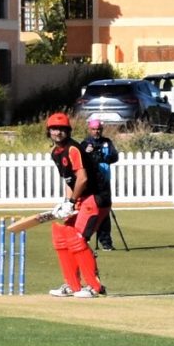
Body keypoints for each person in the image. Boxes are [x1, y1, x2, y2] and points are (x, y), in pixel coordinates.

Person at [45, 112, 108, 298]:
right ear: (48, 131)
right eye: (54, 129)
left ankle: (94, 286)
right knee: (62, 236)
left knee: (77, 239)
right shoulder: (56, 153)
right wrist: (67, 203)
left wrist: (72, 201)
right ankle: (73, 285)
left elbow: (83, 178)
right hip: (81, 198)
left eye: (62, 129)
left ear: (68, 131)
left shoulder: (73, 149)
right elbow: (70, 181)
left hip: (96, 197)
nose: (58, 133)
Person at [81, 118, 120, 251]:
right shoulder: (85, 143)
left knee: (105, 211)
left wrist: (103, 157)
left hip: (105, 180)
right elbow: (80, 160)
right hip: (91, 182)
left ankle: (106, 241)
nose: (96, 131)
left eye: (98, 129)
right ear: (89, 129)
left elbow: (115, 157)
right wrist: (87, 153)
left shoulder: (107, 142)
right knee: (89, 211)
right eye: (93, 129)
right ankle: (84, 238)